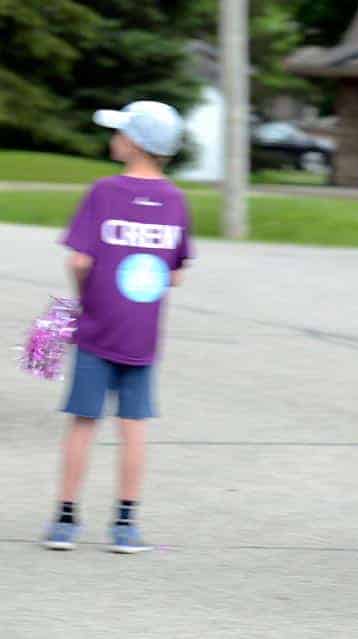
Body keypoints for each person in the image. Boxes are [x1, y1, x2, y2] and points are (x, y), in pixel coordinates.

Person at [42, 101, 192, 554]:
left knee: (84, 422)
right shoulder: (175, 199)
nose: (113, 138)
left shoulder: (103, 192)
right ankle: (125, 524)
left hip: (96, 330)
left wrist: (82, 298)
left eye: (119, 132)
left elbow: (79, 260)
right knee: (134, 425)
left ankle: (66, 519)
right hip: (141, 336)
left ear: (134, 143)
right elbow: (177, 272)